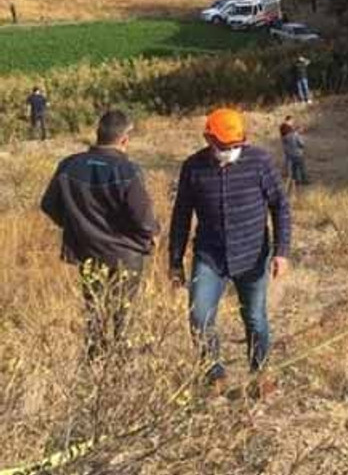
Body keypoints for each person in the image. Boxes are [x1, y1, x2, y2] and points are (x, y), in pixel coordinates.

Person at [169, 108, 291, 386]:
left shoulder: (259, 162)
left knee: (255, 318)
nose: (230, 151)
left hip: (252, 255)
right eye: (224, 146)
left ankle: (260, 374)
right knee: (199, 317)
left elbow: (280, 206)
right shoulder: (193, 168)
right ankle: (214, 376)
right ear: (208, 139)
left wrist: (282, 252)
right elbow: (181, 216)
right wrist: (175, 262)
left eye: (236, 145)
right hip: (210, 257)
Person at [40, 111, 158, 358]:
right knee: (122, 317)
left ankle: (95, 365)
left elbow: (48, 205)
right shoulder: (127, 169)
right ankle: (118, 371)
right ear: (125, 139)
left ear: (98, 134)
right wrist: (152, 235)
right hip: (125, 255)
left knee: (95, 312)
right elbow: (144, 220)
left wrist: (75, 226)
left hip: (86, 252)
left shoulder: (68, 165)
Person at [279, 115, 307, 187]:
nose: (292, 123)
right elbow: (301, 143)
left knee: (293, 167)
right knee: (301, 167)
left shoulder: (283, 130)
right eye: (292, 121)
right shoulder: (294, 134)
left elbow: (284, 138)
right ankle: (304, 180)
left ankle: (295, 181)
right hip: (297, 153)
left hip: (289, 151)